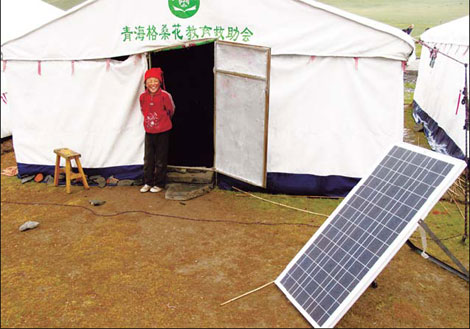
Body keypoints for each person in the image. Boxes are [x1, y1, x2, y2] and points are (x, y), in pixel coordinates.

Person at [139, 67, 175, 193]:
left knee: (160, 158)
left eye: (155, 81)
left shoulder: (165, 95)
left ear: (159, 82)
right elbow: (143, 110)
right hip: (149, 131)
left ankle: (159, 184)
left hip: (163, 130)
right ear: (146, 83)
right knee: (148, 158)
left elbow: (171, 110)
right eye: (149, 81)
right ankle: (148, 182)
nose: (152, 84)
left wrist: (162, 121)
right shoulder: (143, 97)